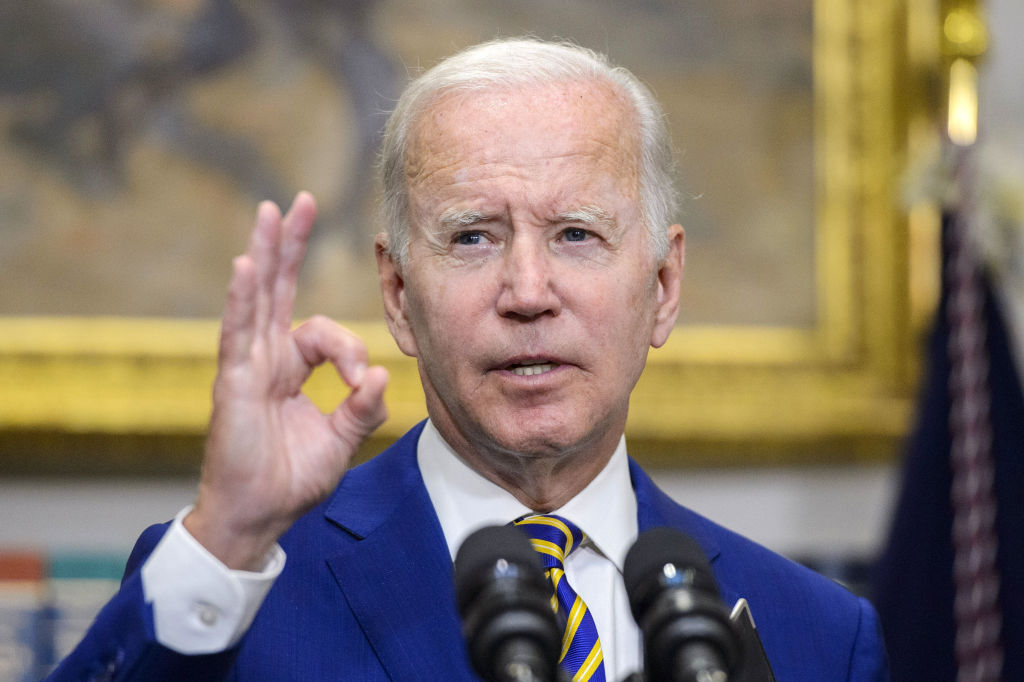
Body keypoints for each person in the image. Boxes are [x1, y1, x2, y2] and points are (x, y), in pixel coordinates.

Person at [50, 38, 889, 681]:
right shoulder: (241, 583)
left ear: (663, 287)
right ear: (397, 292)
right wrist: (227, 537)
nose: (528, 290)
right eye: (473, 237)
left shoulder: (816, 632)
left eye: (576, 235)